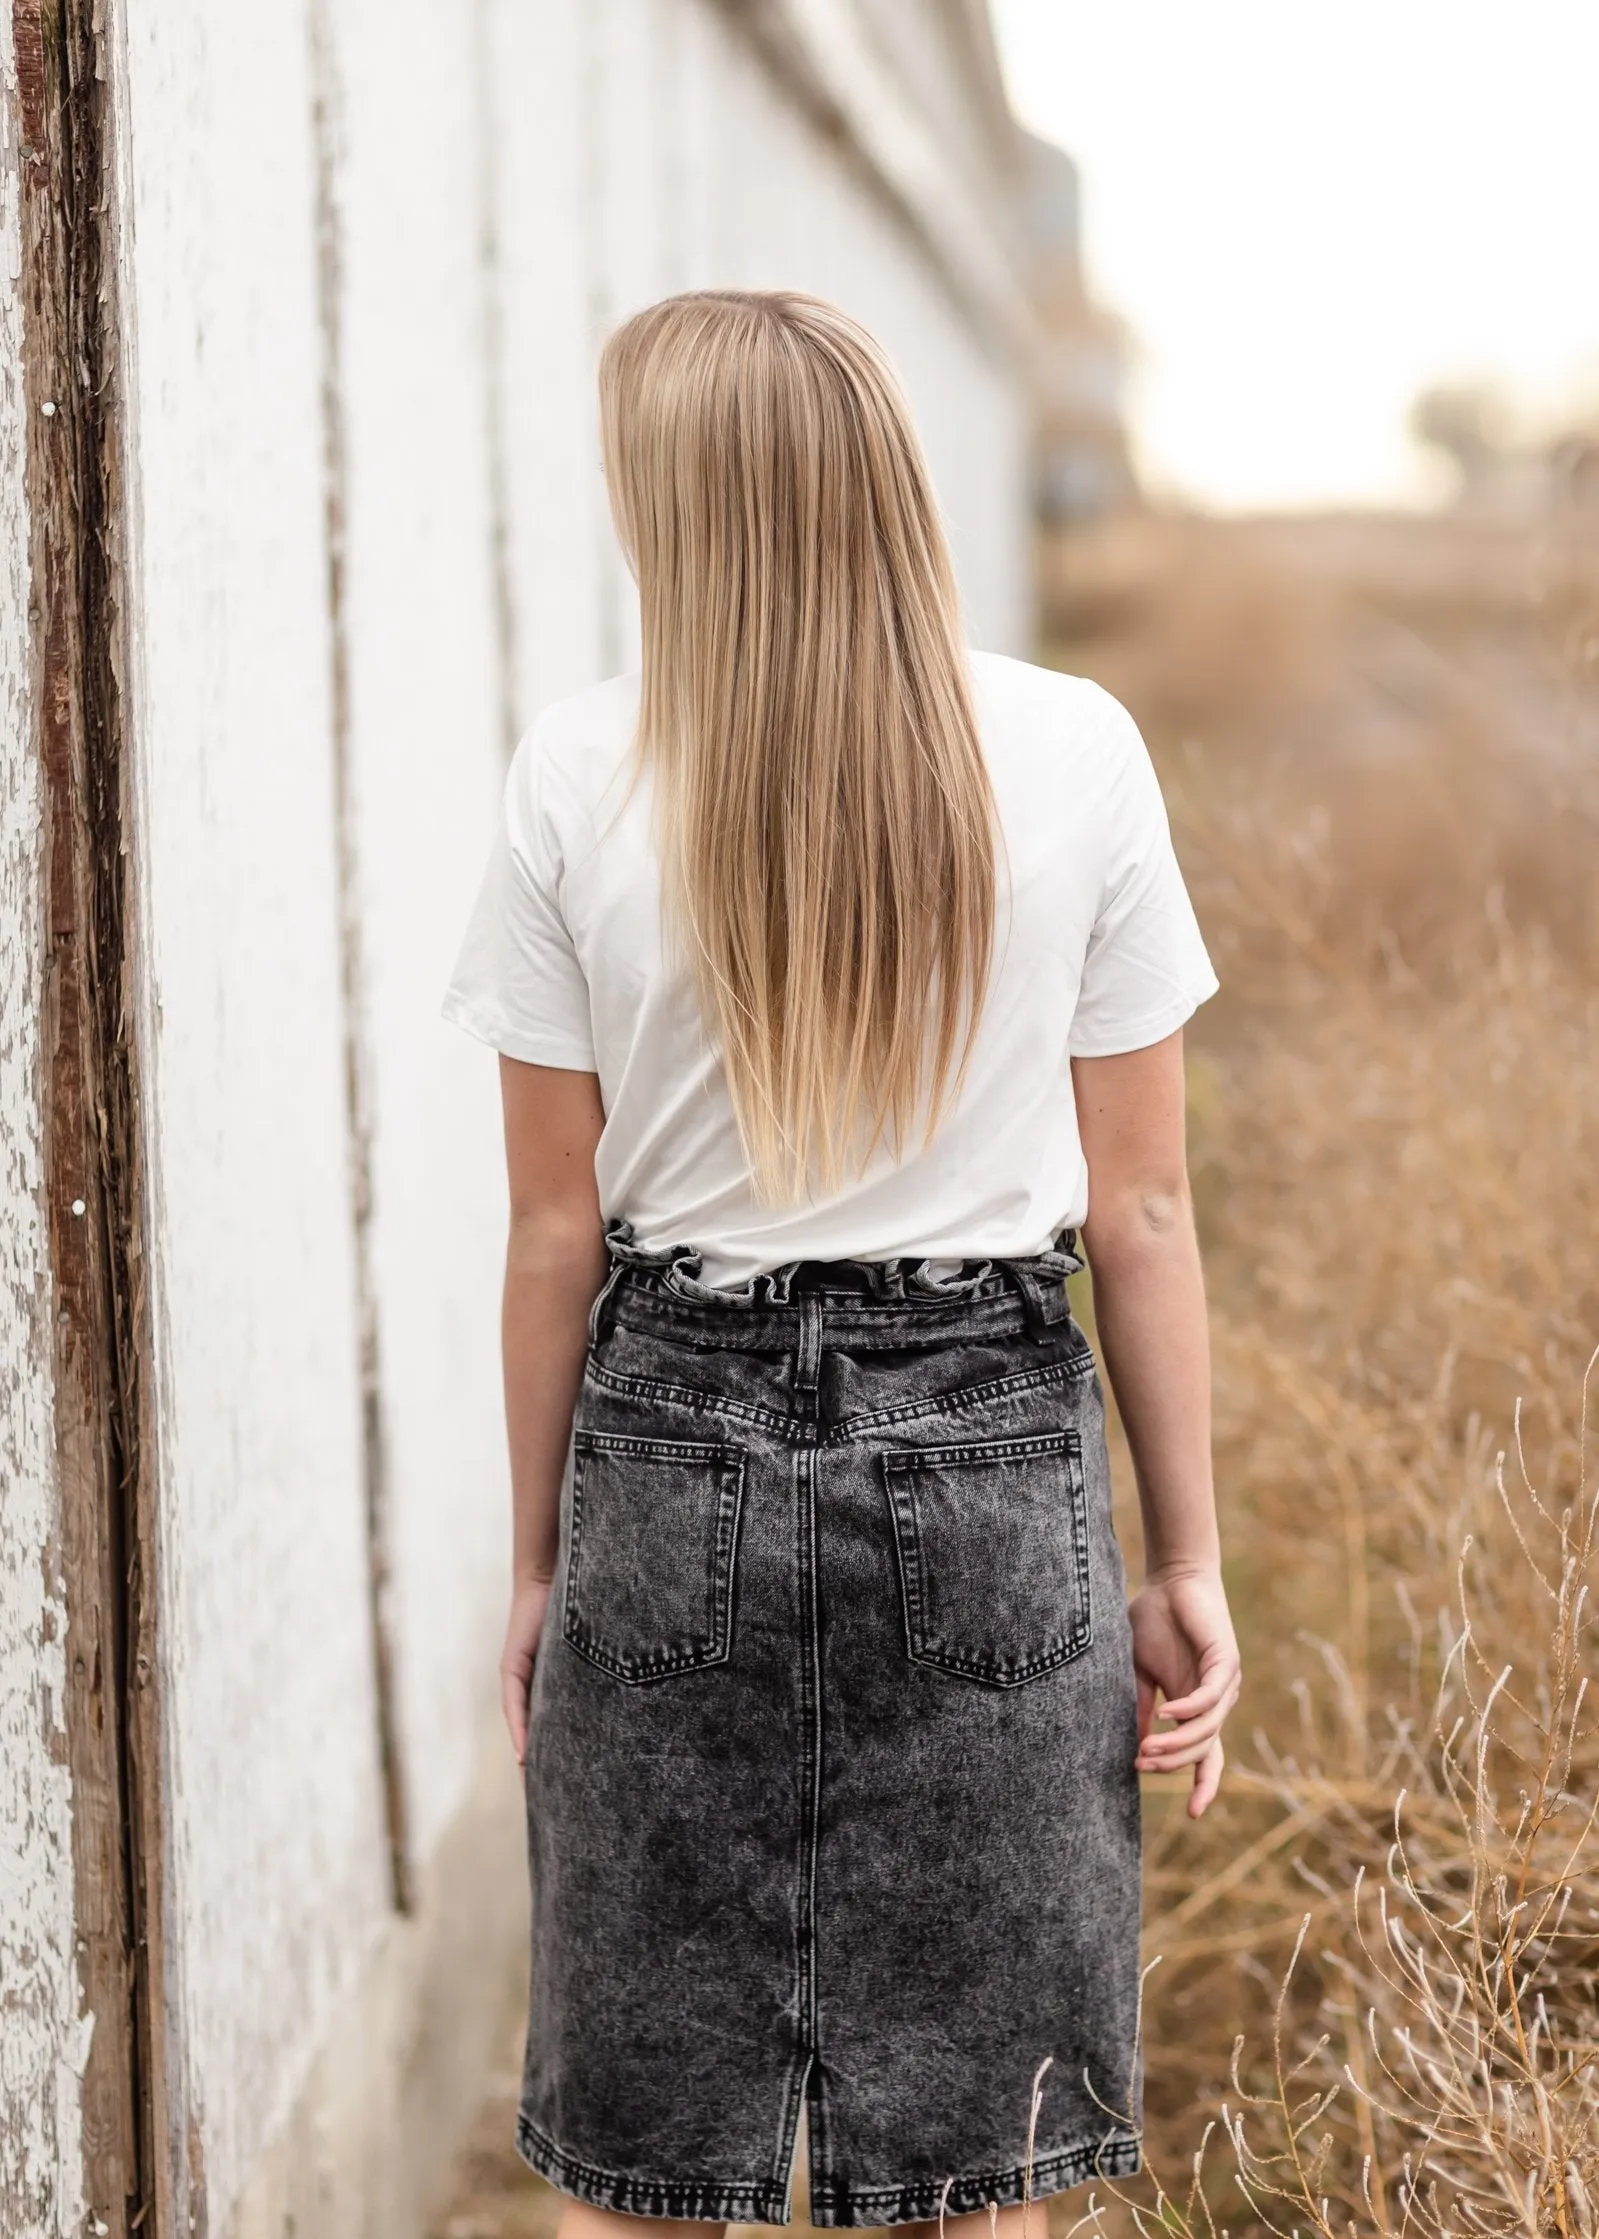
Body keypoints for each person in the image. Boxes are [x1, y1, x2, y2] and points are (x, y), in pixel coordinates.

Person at [443, 289, 1240, 2239]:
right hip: (988, 1459)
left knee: (640, 2170)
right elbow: (1139, 1210)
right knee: (983, 2174)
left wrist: (549, 1564)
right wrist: (1184, 1561)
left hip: (670, 1459)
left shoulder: (575, 773)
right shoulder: (1074, 749)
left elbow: (557, 1228)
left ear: (678, 507)